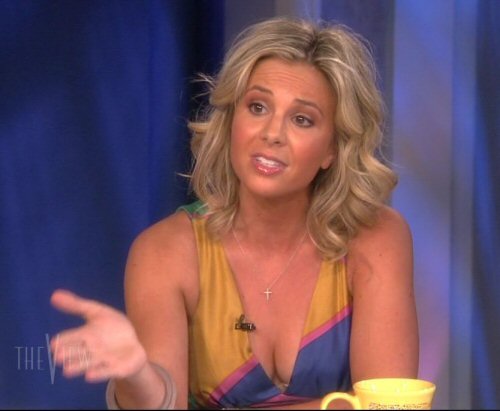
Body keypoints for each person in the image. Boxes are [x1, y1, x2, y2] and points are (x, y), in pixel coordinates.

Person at [50, 16, 419, 409]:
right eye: (257, 107)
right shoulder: (164, 252)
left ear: (332, 148)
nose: (272, 134)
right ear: (230, 122)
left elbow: (390, 405)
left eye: (302, 119)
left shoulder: (376, 237)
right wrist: (134, 375)